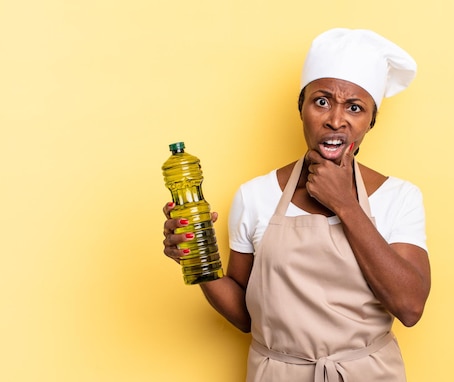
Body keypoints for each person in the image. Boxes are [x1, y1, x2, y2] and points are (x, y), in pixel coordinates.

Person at [162, 28, 431, 382]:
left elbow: (410, 308)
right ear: (301, 108)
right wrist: (197, 259)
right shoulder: (254, 196)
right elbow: (247, 316)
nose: (336, 120)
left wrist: (345, 205)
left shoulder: (400, 197)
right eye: (321, 101)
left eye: (355, 107)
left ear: (370, 121)